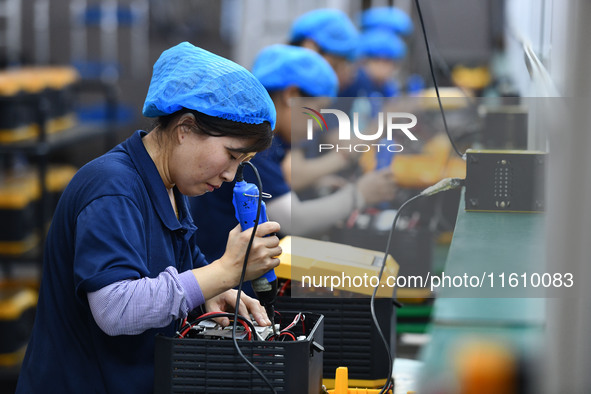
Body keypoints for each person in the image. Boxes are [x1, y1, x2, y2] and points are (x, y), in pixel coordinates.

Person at [16, 42, 282, 393]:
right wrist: (225, 271)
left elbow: (184, 271)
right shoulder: (113, 188)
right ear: (185, 128)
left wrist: (215, 293)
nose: (232, 175)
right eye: (231, 155)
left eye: (242, 163)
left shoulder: (169, 186)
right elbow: (115, 308)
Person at [191, 45, 396, 265]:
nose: (318, 127)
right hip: (226, 280)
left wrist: (319, 183)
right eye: (316, 112)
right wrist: (359, 194)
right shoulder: (255, 143)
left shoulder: (273, 139)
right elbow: (293, 220)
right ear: (291, 95)